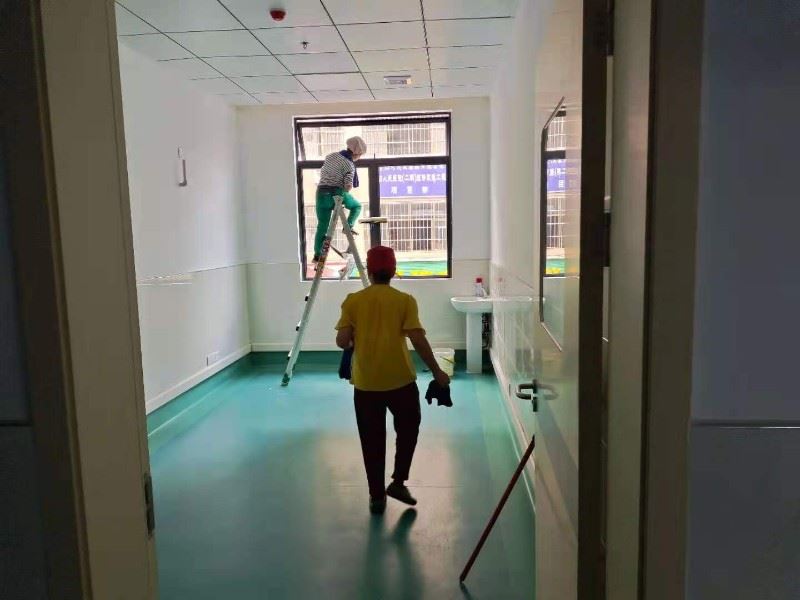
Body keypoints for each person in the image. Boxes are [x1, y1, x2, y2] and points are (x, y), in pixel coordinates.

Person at [335, 246, 451, 515]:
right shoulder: (404, 301)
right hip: (401, 382)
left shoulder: (353, 301)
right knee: (408, 429)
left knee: (371, 440)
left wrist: (354, 339)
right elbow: (418, 339)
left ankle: (377, 497)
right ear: (394, 270)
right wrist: (437, 371)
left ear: (369, 271)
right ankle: (398, 482)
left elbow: (342, 341)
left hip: (366, 384)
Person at [313, 136, 367, 263]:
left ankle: (317, 256)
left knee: (322, 227)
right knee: (357, 206)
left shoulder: (330, 156)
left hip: (321, 194)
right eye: (360, 155)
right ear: (357, 153)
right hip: (336, 194)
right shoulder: (349, 164)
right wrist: (346, 186)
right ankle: (348, 227)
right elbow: (348, 187)